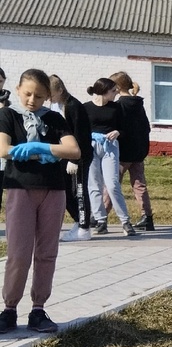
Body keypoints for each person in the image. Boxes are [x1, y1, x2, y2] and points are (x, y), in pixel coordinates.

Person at [0, 69, 82, 333]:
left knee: (46, 252)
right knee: (19, 253)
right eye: (27, 94)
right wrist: (46, 154)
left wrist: (42, 148)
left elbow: (74, 150)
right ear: (17, 90)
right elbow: (4, 149)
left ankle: (38, 309)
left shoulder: (55, 119)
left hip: (53, 190)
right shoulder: (7, 115)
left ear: (47, 96)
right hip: (20, 188)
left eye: (38, 95)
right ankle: (9, 309)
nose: (32, 100)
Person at [82, 77, 136, 236]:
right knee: (94, 185)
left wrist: (118, 132)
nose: (116, 93)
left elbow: (126, 128)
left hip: (110, 147)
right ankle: (100, 220)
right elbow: (79, 129)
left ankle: (125, 221)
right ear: (103, 92)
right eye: (113, 91)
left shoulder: (116, 108)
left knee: (112, 184)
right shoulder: (86, 108)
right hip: (91, 146)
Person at [47, 75, 93, 242]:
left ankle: (84, 227)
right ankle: (78, 221)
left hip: (79, 155)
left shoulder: (73, 106)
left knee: (78, 191)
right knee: (65, 191)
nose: (49, 98)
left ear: (60, 90)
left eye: (51, 94)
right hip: (63, 155)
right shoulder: (54, 105)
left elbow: (81, 135)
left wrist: (75, 159)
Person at [110, 72, 154, 231]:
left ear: (116, 87)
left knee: (112, 184)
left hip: (123, 153)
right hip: (139, 151)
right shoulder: (138, 104)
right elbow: (146, 127)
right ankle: (147, 217)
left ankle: (100, 216)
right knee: (139, 185)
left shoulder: (120, 105)